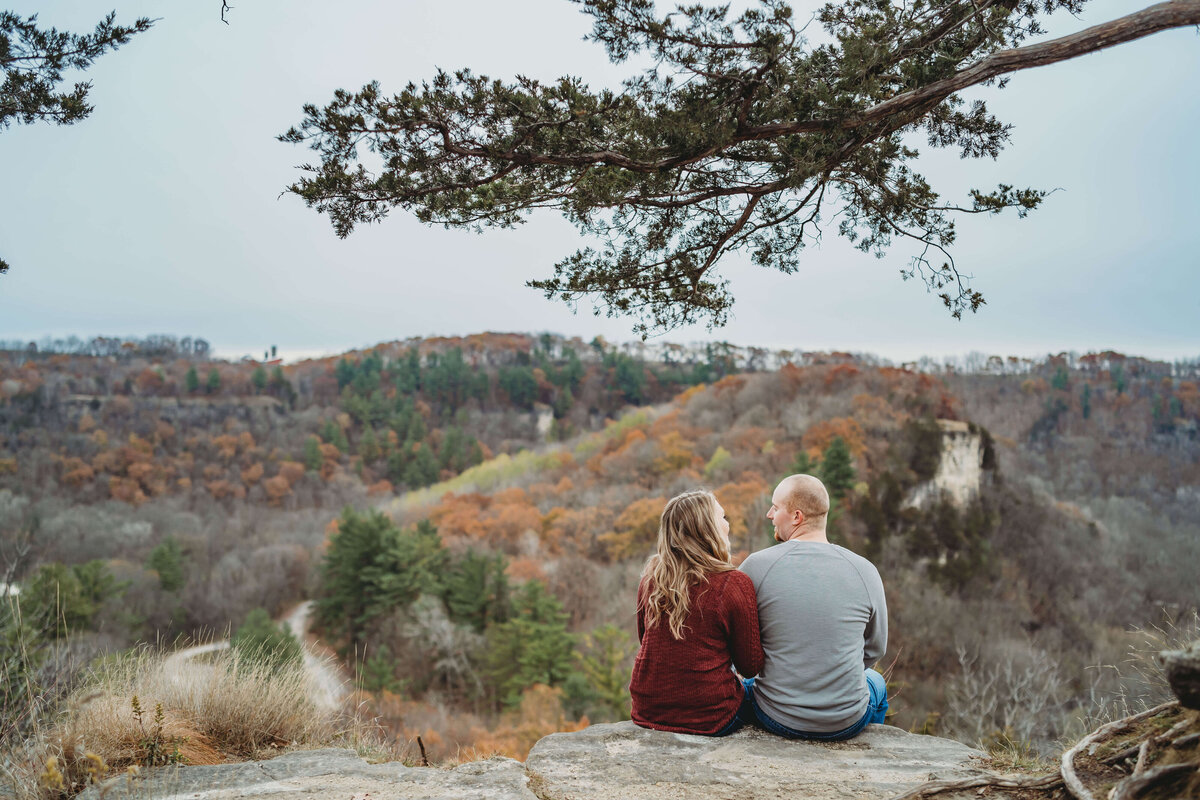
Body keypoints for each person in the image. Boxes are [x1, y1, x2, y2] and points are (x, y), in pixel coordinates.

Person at [738, 474, 888, 740]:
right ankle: (866, 749)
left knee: (746, 685)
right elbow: (875, 649)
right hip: (847, 721)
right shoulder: (865, 570)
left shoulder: (756, 566)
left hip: (776, 716)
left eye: (775, 507)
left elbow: (736, 644)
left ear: (796, 517)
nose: (769, 514)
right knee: (876, 683)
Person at [629, 490, 764, 735]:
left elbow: (646, 640)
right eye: (722, 517)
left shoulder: (652, 576)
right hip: (711, 716)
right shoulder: (733, 583)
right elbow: (751, 664)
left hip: (647, 710)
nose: (727, 524)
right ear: (708, 529)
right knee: (760, 689)